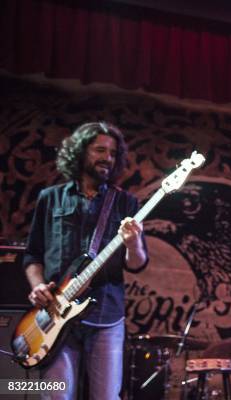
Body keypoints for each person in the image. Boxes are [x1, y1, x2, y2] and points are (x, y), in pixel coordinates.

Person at [23, 122, 148, 399]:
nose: (107, 157)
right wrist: (38, 286)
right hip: (54, 315)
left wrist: (133, 243)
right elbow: (32, 255)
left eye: (113, 153)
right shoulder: (50, 198)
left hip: (106, 315)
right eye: (99, 150)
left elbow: (137, 263)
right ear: (80, 153)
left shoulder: (125, 203)